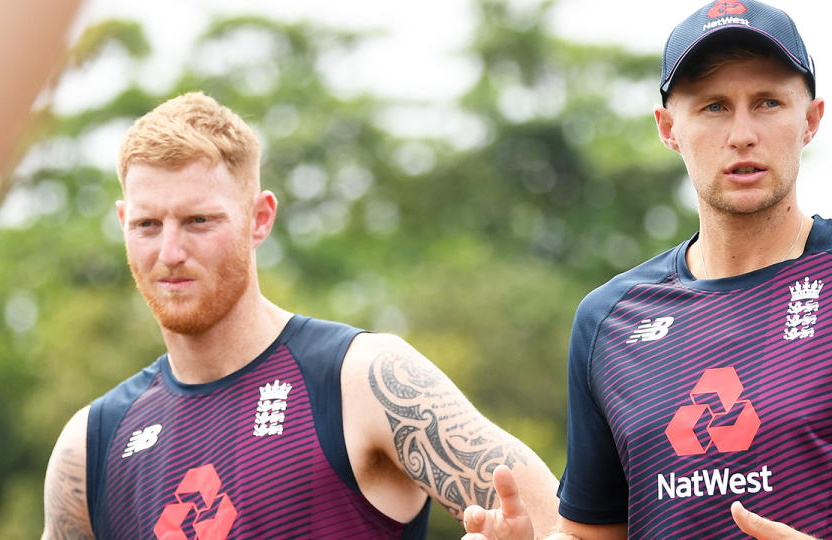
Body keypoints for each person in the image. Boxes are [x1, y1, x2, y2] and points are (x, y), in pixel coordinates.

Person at [462, 1, 832, 538]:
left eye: (767, 102)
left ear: (810, 119)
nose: (742, 133)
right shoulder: (608, 320)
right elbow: (592, 532)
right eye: (714, 107)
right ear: (669, 128)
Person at [40, 91, 560, 539]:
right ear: (122, 221)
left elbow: (563, 525)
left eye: (199, 221)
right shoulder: (91, 445)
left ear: (259, 219)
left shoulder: (361, 381)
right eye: (148, 224)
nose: (170, 251)